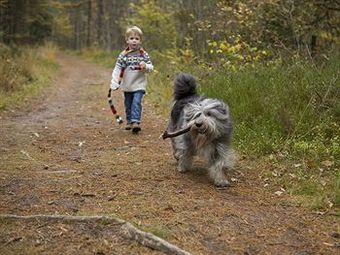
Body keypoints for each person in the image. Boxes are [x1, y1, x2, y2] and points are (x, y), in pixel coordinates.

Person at [110, 26, 153, 133]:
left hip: (139, 84)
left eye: (137, 39)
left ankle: (135, 122)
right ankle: (129, 121)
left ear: (140, 41)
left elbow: (151, 68)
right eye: (132, 38)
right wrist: (114, 82)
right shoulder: (123, 55)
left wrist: (146, 66)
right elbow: (118, 68)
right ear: (127, 40)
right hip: (127, 85)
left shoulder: (143, 55)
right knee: (128, 103)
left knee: (136, 102)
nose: (134, 41)